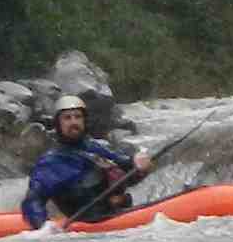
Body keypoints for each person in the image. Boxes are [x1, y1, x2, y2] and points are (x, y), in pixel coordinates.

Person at [21, 97, 150, 230]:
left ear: (84, 121)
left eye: (78, 117)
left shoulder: (93, 147)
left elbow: (126, 167)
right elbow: (33, 200)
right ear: (58, 124)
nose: (73, 122)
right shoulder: (51, 162)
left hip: (117, 214)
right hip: (90, 225)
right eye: (67, 118)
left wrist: (138, 163)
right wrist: (43, 228)